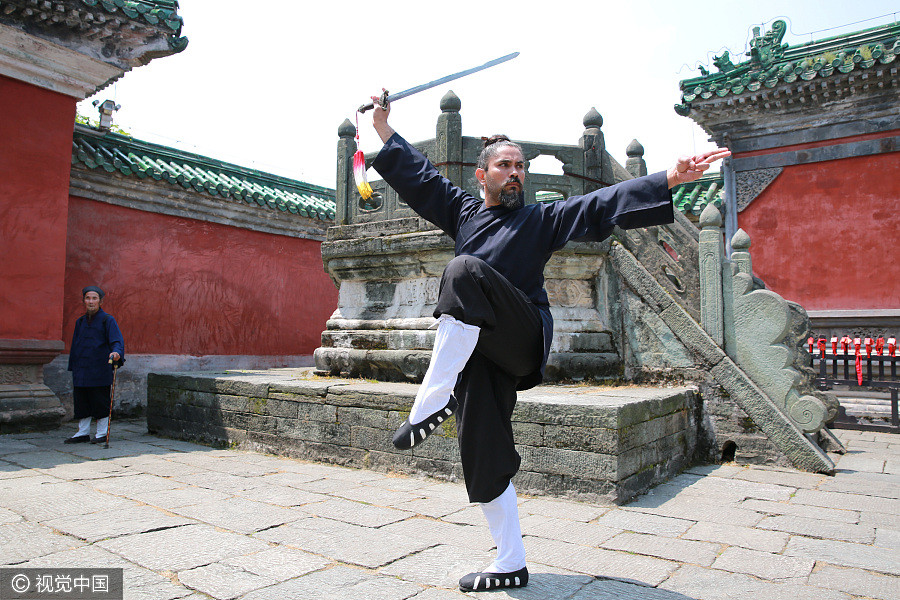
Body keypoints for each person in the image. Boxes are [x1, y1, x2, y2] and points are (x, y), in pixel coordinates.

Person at [368, 97, 729, 592]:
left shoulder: (541, 220)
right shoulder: (464, 214)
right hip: (477, 352)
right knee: (482, 444)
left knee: (462, 270)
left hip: (523, 337)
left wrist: (668, 178)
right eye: (505, 166)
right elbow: (419, 177)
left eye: (520, 167)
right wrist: (383, 126)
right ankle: (510, 561)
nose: (516, 173)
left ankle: (431, 397)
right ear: (483, 175)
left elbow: (599, 204)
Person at [65, 286, 125, 444]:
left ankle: (102, 433)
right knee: (82, 400)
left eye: (94, 298)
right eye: (87, 298)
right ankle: (82, 432)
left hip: (99, 368)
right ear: (84, 300)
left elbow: (116, 341)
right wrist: (74, 365)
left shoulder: (107, 320)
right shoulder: (80, 322)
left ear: (100, 301)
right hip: (81, 368)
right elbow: (76, 345)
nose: (90, 301)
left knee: (100, 400)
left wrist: (116, 352)